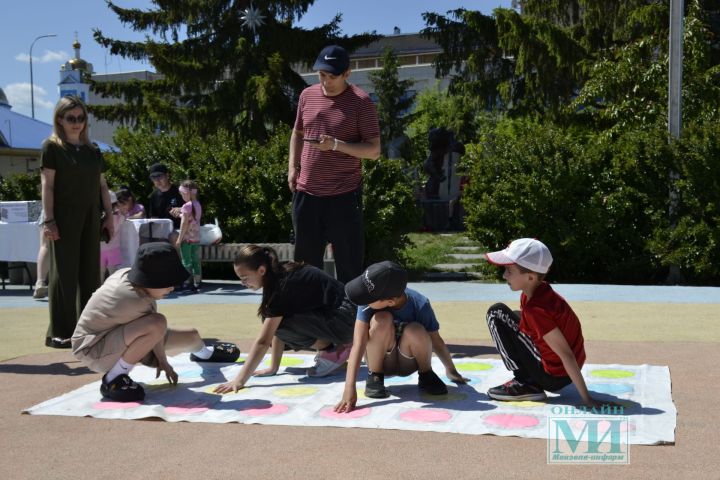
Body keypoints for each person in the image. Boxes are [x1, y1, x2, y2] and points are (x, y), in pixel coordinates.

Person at [72, 242, 240, 402]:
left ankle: (205, 354)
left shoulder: (131, 277)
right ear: (149, 280)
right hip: (93, 349)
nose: (171, 288)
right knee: (158, 323)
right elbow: (155, 328)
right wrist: (161, 360)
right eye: (166, 282)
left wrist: (163, 361)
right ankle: (113, 378)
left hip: (118, 335)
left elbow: (155, 333)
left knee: (191, 336)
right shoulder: (132, 299)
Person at [482, 238, 617, 408]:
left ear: (530, 277)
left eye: (509, 270)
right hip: (561, 370)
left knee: (496, 313)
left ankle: (525, 382)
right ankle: (529, 379)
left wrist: (587, 399)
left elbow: (566, 354)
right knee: (512, 316)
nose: (504, 275)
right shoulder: (539, 290)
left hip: (554, 377)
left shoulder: (536, 309)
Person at [288, 45, 381, 283]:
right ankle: (310, 317)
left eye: (333, 76)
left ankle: (351, 317)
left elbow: (373, 150)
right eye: (322, 75)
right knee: (306, 268)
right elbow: (297, 133)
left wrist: (336, 145)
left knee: (349, 268)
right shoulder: (307, 95)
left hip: (344, 195)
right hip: (307, 194)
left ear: (347, 74)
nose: (326, 81)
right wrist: (292, 167)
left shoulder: (361, 102)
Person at [213, 245, 355, 394]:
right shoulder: (278, 275)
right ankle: (335, 346)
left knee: (277, 324)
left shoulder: (280, 286)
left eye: (244, 278)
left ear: (261, 270)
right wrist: (273, 368)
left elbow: (263, 341)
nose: (243, 283)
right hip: (347, 316)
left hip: (346, 321)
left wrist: (239, 380)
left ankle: (332, 351)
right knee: (274, 322)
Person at [334, 261, 468, 413]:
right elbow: (358, 344)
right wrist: (349, 387)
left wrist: (451, 370)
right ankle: (375, 376)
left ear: (390, 301)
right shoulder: (367, 303)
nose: (363, 299)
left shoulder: (420, 304)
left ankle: (426, 374)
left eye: (368, 296)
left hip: (408, 362)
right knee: (381, 319)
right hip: (381, 361)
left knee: (415, 330)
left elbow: (436, 341)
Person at [40, 96, 115, 349]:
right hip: (63, 217)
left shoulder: (93, 150)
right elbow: (47, 186)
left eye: (81, 118)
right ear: (59, 119)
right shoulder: (52, 148)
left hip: (92, 216)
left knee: (90, 275)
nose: (76, 123)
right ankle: (61, 331)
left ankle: (88, 328)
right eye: (71, 118)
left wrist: (109, 217)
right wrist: (49, 220)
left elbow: (102, 185)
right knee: (65, 275)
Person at [176, 180, 202, 291]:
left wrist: (179, 239)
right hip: (195, 239)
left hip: (186, 239)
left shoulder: (186, 206)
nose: (181, 196)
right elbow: (192, 219)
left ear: (187, 193)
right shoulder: (198, 205)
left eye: (182, 193)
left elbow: (184, 224)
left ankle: (187, 281)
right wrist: (181, 215)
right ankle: (197, 282)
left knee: (186, 261)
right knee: (195, 260)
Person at [147, 163, 183, 241]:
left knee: (173, 236)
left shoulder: (180, 191)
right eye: (153, 178)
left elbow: (193, 207)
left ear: (167, 175)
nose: (157, 180)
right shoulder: (153, 196)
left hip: (180, 229)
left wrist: (181, 209)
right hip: (162, 231)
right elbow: (154, 217)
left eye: (159, 176)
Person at [100, 191, 124, 280]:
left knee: (99, 277)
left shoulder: (99, 219)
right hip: (114, 250)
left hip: (100, 250)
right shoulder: (120, 217)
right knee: (113, 276)